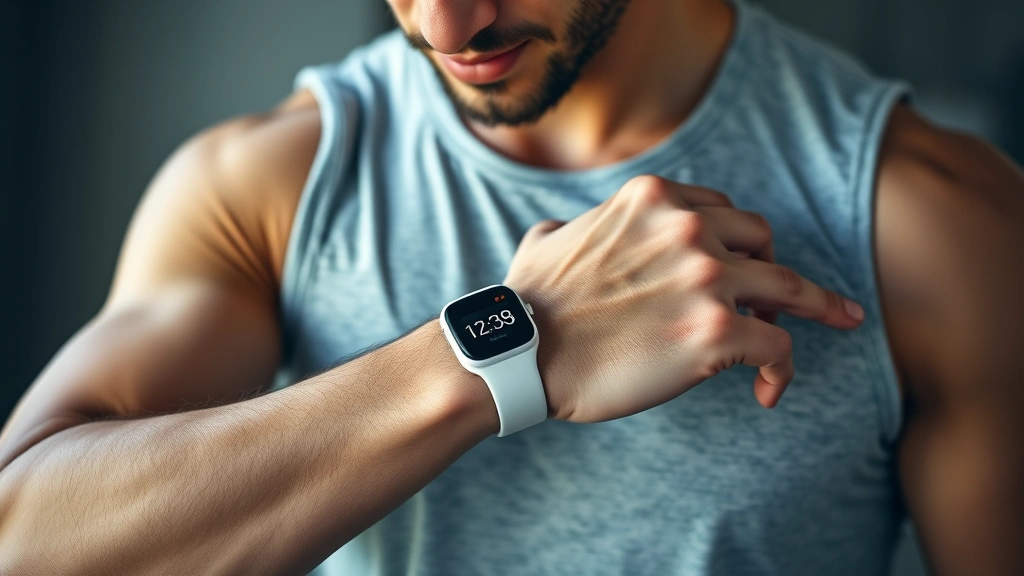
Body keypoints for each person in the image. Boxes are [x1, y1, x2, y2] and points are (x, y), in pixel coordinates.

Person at [1, 0, 1021, 574]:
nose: (447, 23)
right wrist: (511, 348)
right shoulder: (265, 184)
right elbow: (26, 540)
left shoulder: (936, 221)